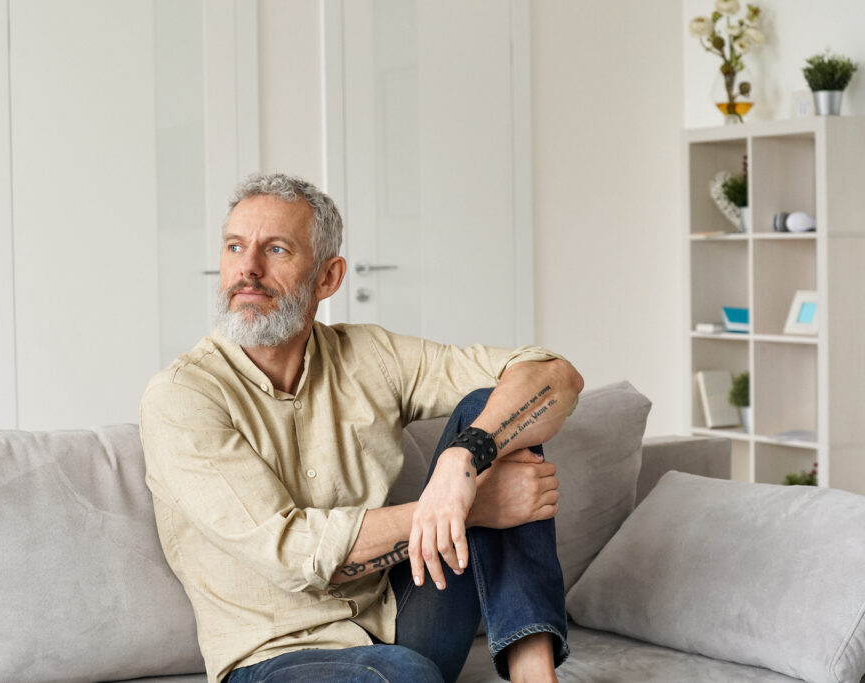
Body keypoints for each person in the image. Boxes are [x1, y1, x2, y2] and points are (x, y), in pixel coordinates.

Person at [139, 173, 584, 683]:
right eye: (235, 246)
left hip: (401, 620)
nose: (248, 268)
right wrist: (473, 506)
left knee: (493, 411)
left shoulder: (370, 355)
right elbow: (291, 554)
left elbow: (554, 376)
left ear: (328, 278)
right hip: (273, 659)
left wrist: (462, 461)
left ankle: (536, 676)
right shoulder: (182, 396)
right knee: (400, 676)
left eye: (276, 249)